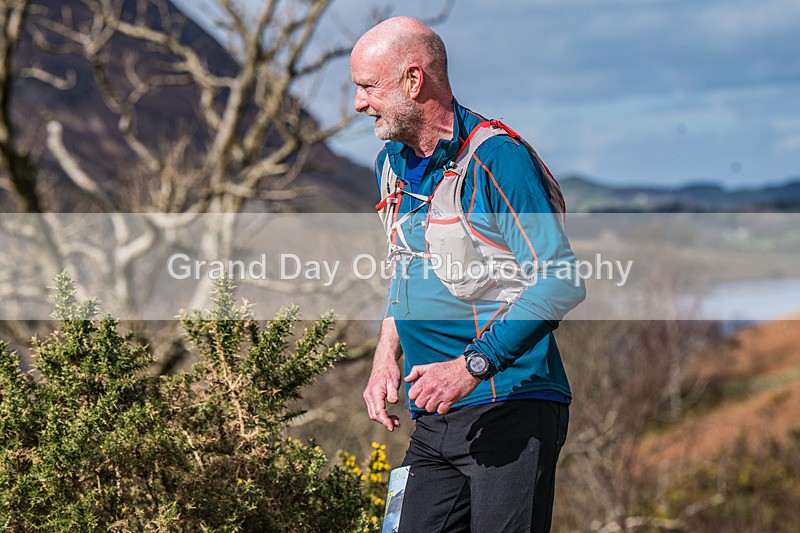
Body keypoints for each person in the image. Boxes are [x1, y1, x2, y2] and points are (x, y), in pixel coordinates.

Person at [351, 16, 586, 533]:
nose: (358, 104)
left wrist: (470, 366)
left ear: (414, 81)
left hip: (512, 406)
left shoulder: (497, 160)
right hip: (432, 415)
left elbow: (560, 280)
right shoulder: (390, 163)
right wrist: (384, 355)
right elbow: (406, 265)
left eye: (368, 87)